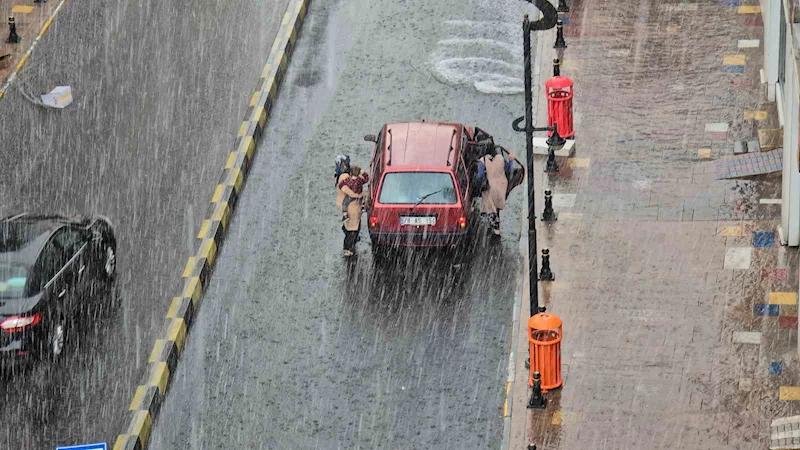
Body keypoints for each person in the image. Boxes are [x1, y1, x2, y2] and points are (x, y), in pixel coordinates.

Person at [477, 143, 516, 236]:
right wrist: (511, 161)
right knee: (497, 207)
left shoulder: (483, 161)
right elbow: (509, 169)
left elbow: (480, 176)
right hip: (502, 186)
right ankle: (496, 225)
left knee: (491, 208)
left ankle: (495, 229)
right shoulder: (500, 158)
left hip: (490, 187)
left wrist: (480, 184)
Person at [335, 159, 368, 257]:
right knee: (352, 230)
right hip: (354, 207)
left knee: (351, 227)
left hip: (350, 204)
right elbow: (366, 178)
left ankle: (345, 218)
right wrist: (362, 172)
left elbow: (341, 185)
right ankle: (348, 248)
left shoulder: (347, 180)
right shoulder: (359, 180)